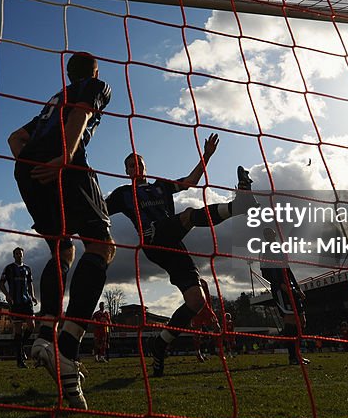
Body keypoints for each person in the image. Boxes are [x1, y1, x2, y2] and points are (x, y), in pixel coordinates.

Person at [9, 51, 114, 409]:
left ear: (67, 74)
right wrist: (64, 159)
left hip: (28, 170)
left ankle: (43, 336)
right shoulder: (96, 86)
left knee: (62, 249)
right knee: (101, 247)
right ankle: (67, 347)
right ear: (94, 72)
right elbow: (84, 113)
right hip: (63, 163)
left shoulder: (51, 103)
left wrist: (32, 166)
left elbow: (13, 139)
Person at [105, 134, 256, 377]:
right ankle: (239, 206)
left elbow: (190, 181)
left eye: (139, 163)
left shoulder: (160, 186)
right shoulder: (122, 194)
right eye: (131, 165)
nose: (136, 167)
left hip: (173, 243)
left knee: (196, 302)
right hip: (153, 239)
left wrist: (206, 156)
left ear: (145, 167)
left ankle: (160, 345)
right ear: (126, 170)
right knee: (187, 215)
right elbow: (100, 210)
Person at [258, 227, 309, 365]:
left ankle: (298, 354)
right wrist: (280, 285)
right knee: (291, 320)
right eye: (266, 233)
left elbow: (288, 269)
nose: (269, 235)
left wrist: (297, 287)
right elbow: (265, 272)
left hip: (291, 286)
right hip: (280, 289)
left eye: (271, 233)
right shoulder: (265, 251)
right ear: (265, 236)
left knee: (302, 320)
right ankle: (293, 357)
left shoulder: (280, 249)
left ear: (274, 234)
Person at [0, 247, 38, 367]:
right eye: (16, 254)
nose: (18, 255)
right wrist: (7, 295)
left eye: (20, 254)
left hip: (26, 302)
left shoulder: (27, 269)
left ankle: (20, 348)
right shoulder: (9, 268)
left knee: (32, 326)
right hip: (15, 302)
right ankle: (19, 361)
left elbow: (30, 283)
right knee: (18, 329)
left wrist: (32, 296)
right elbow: (1, 284)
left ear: (23, 255)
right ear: (13, 255)